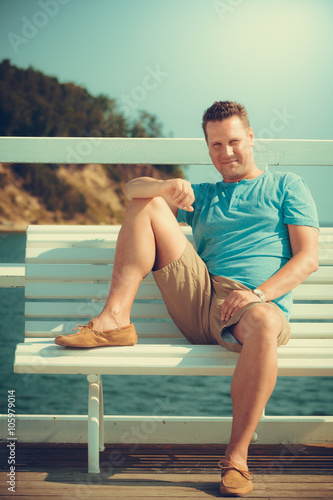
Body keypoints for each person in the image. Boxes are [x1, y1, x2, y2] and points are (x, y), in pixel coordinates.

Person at [55, 101, 319, 497]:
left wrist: (258, 294)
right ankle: (115, 321)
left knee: (262, 320)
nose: (226, 152)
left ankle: (237, 459)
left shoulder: (286, 187)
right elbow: (132, 190)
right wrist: (163, 189)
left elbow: (308, 258)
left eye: (233, 141)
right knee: (147, 203)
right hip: (202, 296)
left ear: (251, 138)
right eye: (215, 145)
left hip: (257, 304)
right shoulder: (205, 194)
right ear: (207, 147)